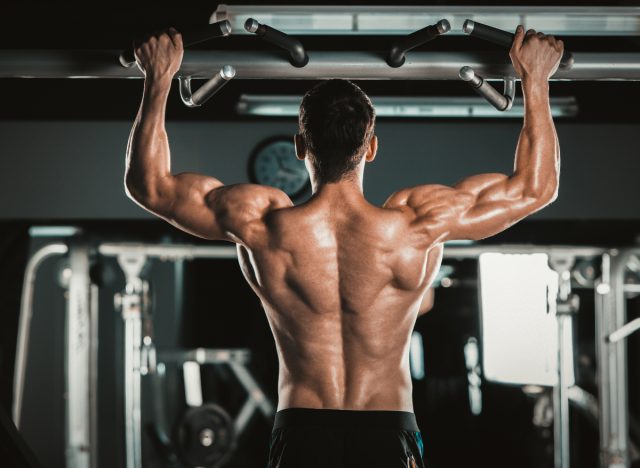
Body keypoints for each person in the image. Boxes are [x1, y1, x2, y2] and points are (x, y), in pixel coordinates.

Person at [125, 24, 562, 468]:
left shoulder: (262, 222)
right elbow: (535, 188)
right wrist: (536, 80)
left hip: (301, 429)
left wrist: (158, 79)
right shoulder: (416, 224)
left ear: (301, 147)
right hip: (388, 429)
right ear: (370, 148)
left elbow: (150, 186)